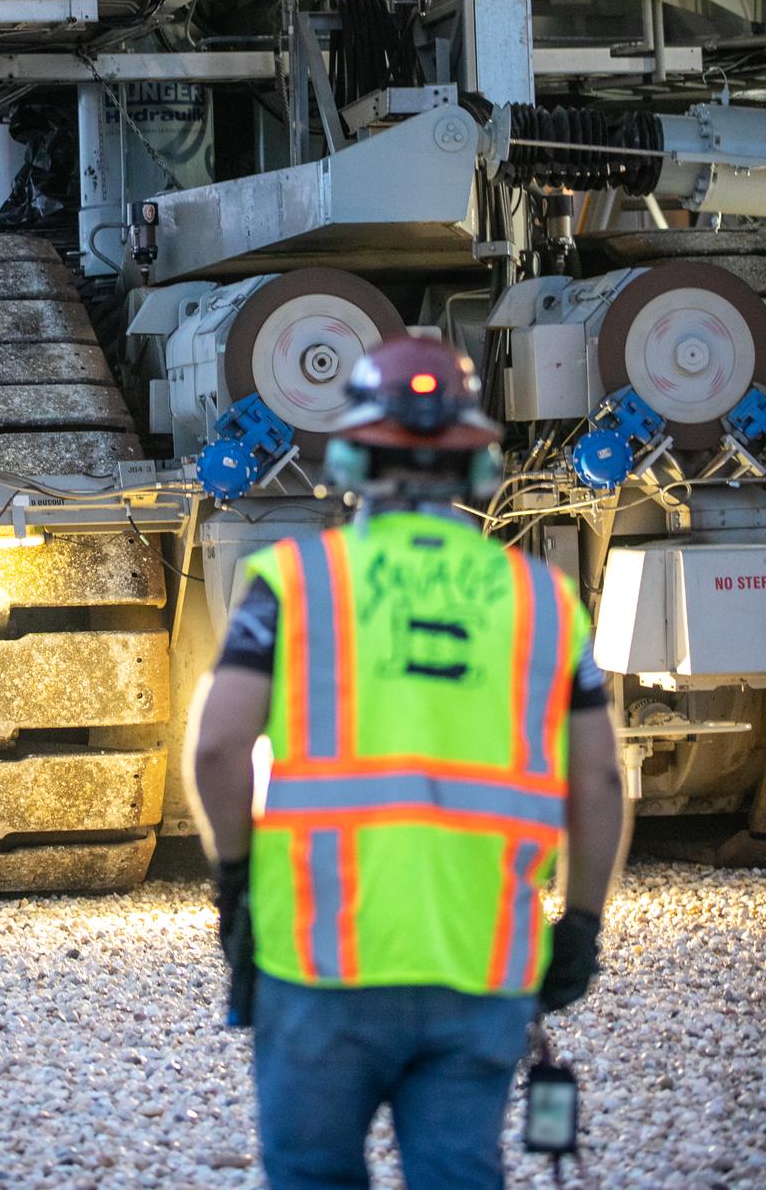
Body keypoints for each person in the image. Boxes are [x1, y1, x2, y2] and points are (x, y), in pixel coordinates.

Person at [189, 335, 624, 1190]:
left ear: (350, 454)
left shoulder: (296, 581)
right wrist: (579, 925)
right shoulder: (543, 600)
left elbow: (216, 744)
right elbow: (600, 779)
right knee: (458, 1171)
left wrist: (235, 881)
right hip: (481, 960)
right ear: (477, 465)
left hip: (320, 960)